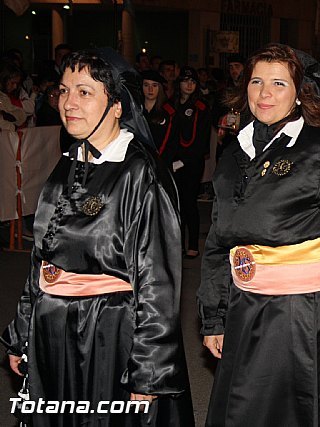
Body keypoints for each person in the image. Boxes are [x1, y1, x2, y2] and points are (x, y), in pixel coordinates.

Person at [1, 48, 194, 426]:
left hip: (107, 337)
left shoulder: (140, 174)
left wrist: (149, 367)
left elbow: (158, 282)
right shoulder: (69, 163)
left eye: (85, 92)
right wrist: (23, 330)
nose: (68, 103)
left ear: (118, 104)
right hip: (54, 334)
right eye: (63, 90)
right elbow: (43, 256)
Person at [197, 43, 320, 426]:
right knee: (240, 410)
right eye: (257, 81)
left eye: (279, 83)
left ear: (300, 93)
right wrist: (214, 317)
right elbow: (217, 241)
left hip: (303, 311)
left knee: (298, 413)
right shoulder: (233, 154)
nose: (265, 93)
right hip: (244, 307)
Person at [166, 65, 212, 259]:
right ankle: (177, 244)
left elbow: (201, 139)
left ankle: (192, 244)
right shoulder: (170, 105)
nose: (189, 85)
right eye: (186, 81)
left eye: (193, 81)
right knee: (174, 205)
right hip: (172, 161)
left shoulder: (201, 107)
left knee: (189, 203)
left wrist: (183, 160)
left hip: (191, 162)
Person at [141, 69, 173, 157]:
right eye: (146, 85)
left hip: (161, 160)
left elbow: (171, 142)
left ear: (160, 88)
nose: (150, 89)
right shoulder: (136, 110)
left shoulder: (168, 112)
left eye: (154, 85)